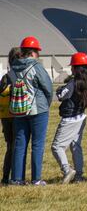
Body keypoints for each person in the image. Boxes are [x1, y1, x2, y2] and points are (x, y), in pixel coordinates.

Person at [10, 36, 53, 186]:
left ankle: (17, 179)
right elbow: (48, 88)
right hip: (38, 110)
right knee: (37, 145)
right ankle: (36, 179)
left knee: (20, 145)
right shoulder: (36, 66)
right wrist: (46, 105)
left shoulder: (13, 68)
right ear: (34, 52)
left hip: (19, 110)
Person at [51, 52, 87, 184]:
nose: (71, 69)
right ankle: (79, 175)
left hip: (69, 119)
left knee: (57, 147)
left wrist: (60, 89)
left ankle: (67, 170)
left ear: (76, 68)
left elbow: (61, 96)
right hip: (81, 117)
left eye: (72, 66)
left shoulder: (73, 83)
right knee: (76, 146)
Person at [0, 47, 21, 185]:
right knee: (16, 147)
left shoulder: (5, 77)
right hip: (15, 116)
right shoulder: (17, 76)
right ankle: (13, 177)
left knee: (11, 147)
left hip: (5, 116)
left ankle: (7, 177)